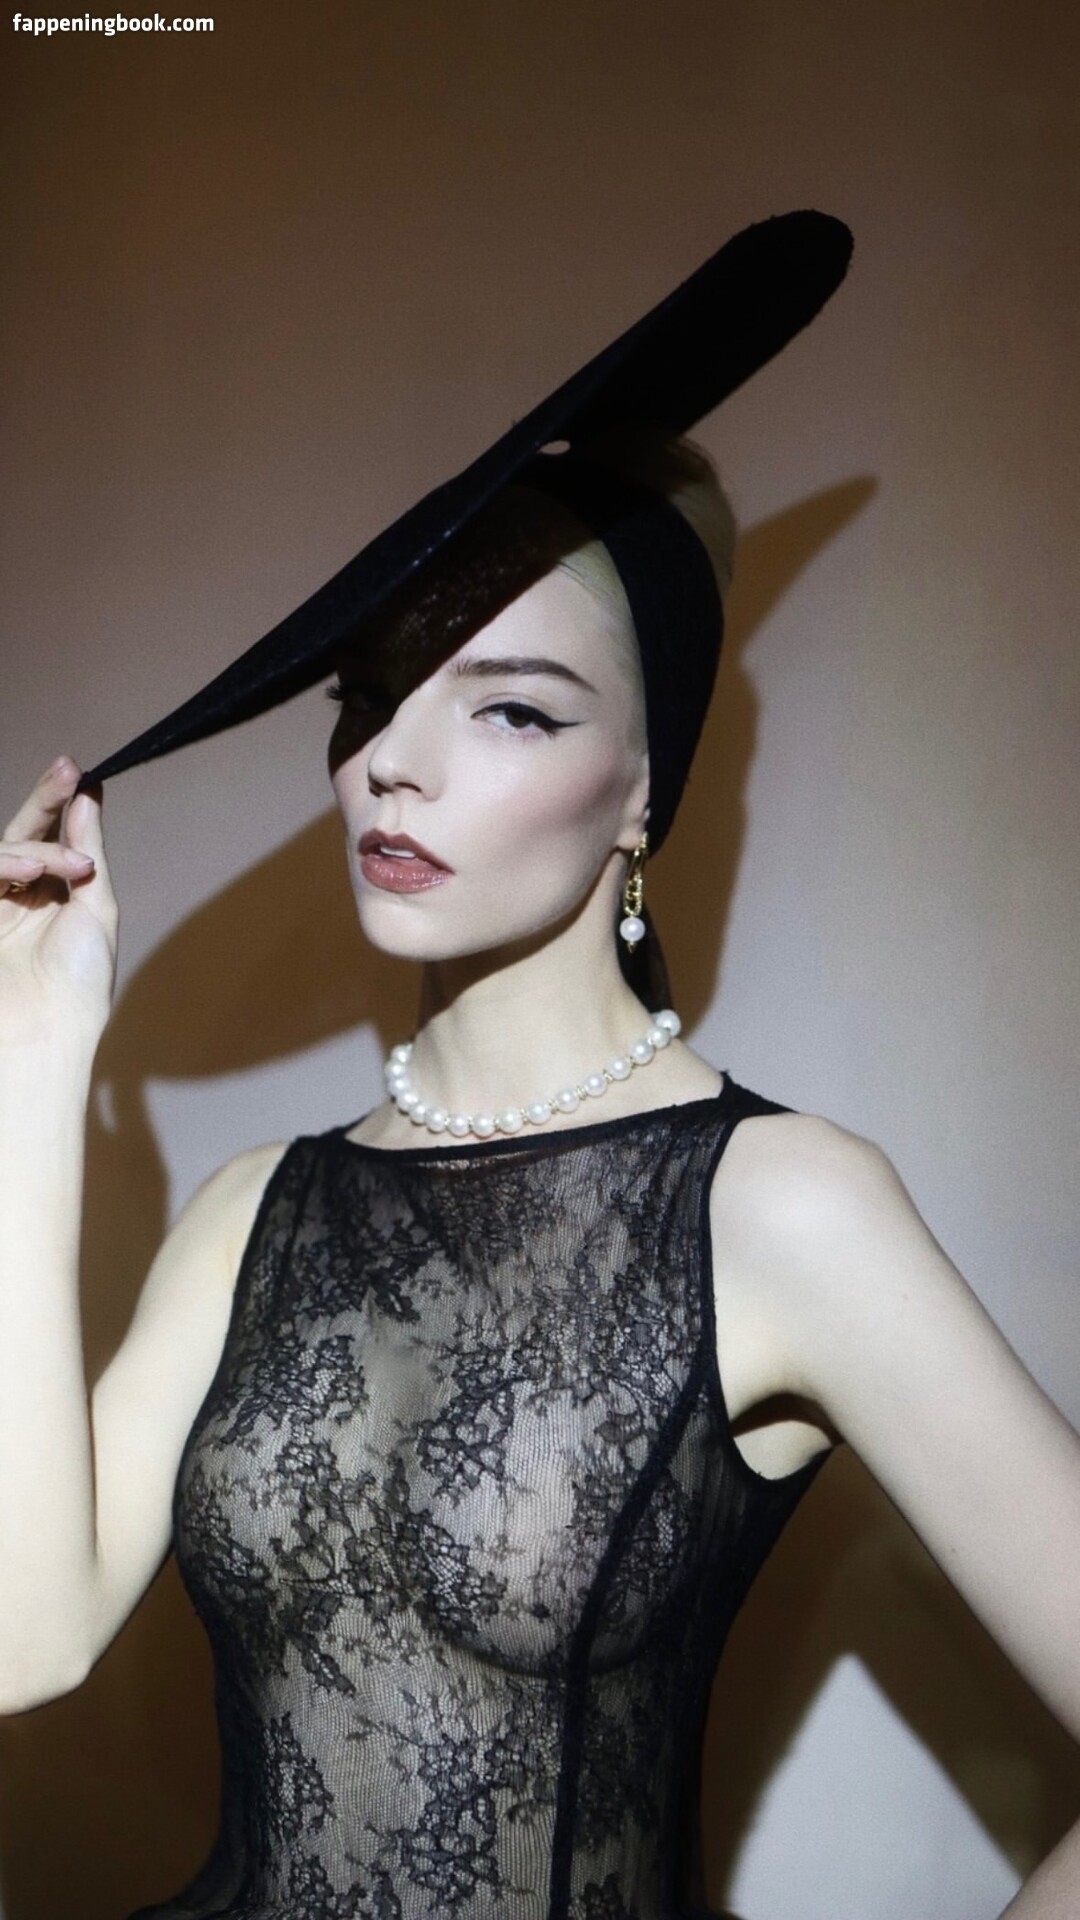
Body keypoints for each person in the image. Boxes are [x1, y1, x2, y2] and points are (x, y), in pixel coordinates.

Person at [1, 219, 1078, 1920]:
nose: (396, 765)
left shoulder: (773, 1208)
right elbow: (22, 1643)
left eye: (511, 708)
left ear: (645, 789)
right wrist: (35, 1054)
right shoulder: (252, 1215)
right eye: (372, 695)